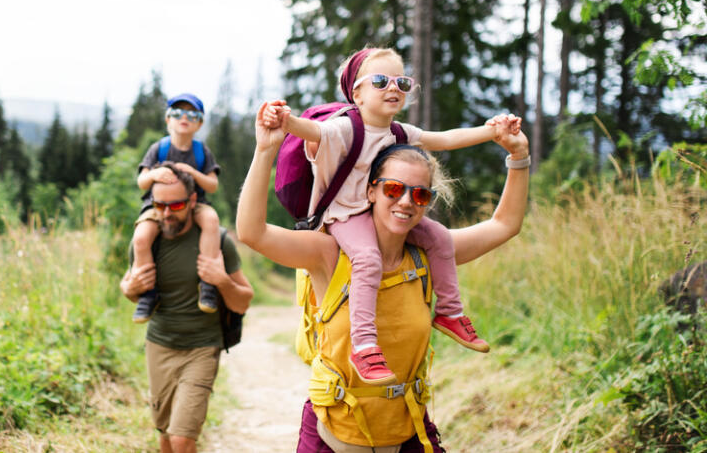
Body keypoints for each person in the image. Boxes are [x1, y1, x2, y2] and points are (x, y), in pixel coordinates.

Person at [238, 101, 530, 451]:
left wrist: (519, 157)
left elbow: (505, 225)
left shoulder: (430, 256)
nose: (406, 202)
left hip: (408, 433)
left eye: (420, 194)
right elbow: (252, 233)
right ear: (370, 191)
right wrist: (265, 148)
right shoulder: (329, 253)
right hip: (332, 434)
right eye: (393, 189)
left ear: (427, 202)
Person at [263, 47, 521, 384]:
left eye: (402, 81)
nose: (394, 88)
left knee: (440, 237)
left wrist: (492, 132)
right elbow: (311, 132)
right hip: (344, 217)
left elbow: (442, 140)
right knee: (368, 258)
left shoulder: (398, 133)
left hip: (376, 212)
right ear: (357, 92)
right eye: (381, 81)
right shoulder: (344, 128)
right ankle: (365, 345)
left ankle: (449, 313)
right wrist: (283, 121)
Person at [120, 162, 254, 453]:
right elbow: (130, 287)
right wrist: (129, 289)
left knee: (182, 438)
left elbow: (243, 300)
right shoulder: (146, 241)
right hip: (160, 346)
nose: (167, 213)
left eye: (176, 204)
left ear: (193, 202)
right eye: (159, 205)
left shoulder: (217, 242)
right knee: (166, 435)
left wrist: (221, 281)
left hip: (202, 348)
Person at [132, 93, 223, 322]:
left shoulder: (201, 151)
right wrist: (154, 173)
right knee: (142, 238)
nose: (184, 118)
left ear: (200, 123)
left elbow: (212, 185)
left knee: (211, 221)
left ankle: (208, 284)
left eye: (192, 114)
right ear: (167, 120)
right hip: (159, 205)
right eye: (177, 113)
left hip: (195, 203)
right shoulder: (158, 149)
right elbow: (142, 181)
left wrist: (192, 172)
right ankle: (147, 293)